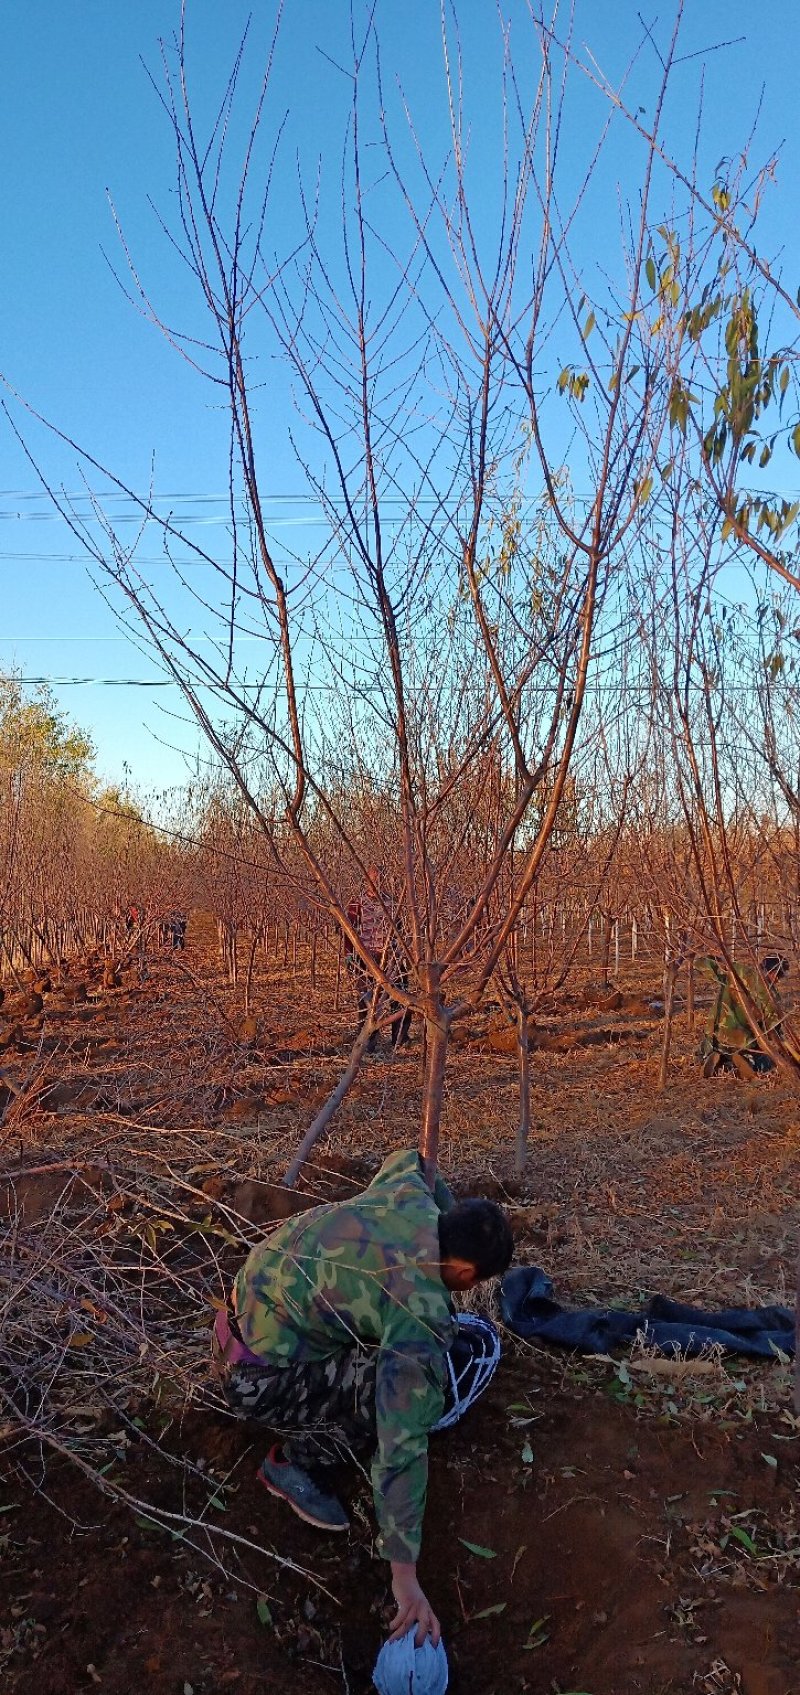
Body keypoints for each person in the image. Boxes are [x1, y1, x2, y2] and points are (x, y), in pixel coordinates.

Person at [212, 1148, 513, 1646]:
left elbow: (412, 1158)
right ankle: (295, 1462)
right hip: (257, 1380)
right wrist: (405, 1575)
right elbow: (403, 1441)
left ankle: (303, 1410)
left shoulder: (410, 1195)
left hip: (239, 1318)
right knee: (395, 1393)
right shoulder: (419, 1308)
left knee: (378, 1352)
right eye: (474, 1281)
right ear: (465, 1274)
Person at [349, 864, 411, 1050]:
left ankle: (399, 1039)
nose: (376, 883)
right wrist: (350, 958)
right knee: (368, 1001)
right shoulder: (356, 904)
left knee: (401, 997)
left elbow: (400, 930)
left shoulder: (392, 903)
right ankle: (368, 1041)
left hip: (392, 957)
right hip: (369, 958)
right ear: (366, 881)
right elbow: (348, 933)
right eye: (372, 880)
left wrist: (403, 954)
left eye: (379, 879)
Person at [699, 953, 789, 1079]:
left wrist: (719, 959)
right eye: (778, 975)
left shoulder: (738, 970)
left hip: (714, 1036)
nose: (778, 979)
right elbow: (773, 1029)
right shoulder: (770, 995)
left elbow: (702, 963)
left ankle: (712, 1057)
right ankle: (740, 1063)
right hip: (743, 1043)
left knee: (704, 1049)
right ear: (771, 972)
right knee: (767, 1063)